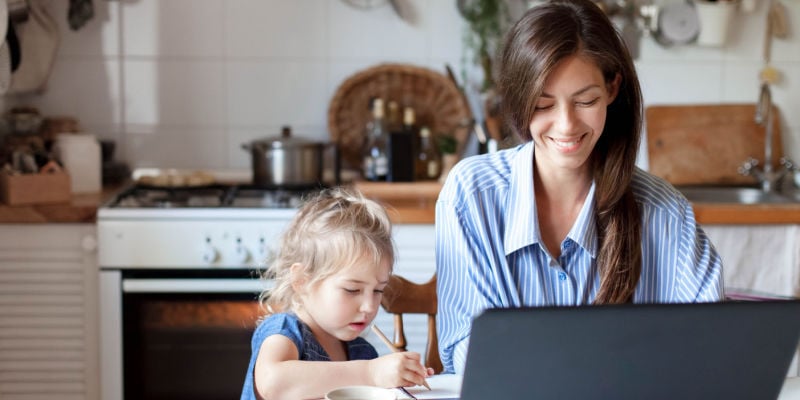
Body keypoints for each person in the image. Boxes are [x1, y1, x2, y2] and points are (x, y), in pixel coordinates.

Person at [435, 0, 724, 374]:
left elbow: (709, 347)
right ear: (519, 98)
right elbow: (466, 353)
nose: (567, 125)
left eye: (586, 100)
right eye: (543, 104)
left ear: (613, 88)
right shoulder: (471, 195)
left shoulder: (665, 212)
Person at [240, 187, 432, 400]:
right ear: (302, 280)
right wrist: (370, 373)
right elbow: (274, 383)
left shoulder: (361, 352)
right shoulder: (284, 332)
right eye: (352, 290)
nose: (369, 306)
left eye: (378, 290)